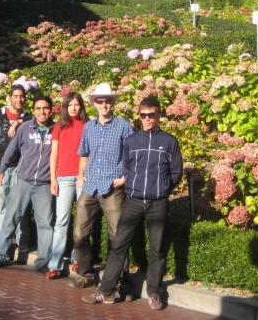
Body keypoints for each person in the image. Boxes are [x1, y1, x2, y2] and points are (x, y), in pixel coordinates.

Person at [82, 97, 183, 310]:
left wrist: (163, 189)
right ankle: (105, 291)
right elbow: (126, 167)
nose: (147, 119)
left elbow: (176, 171)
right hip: (133, 201)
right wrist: (132, 187)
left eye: (151, 115)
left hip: (157, 203)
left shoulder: (169, 141)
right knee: (118, 246)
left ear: (158, 115)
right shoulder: (132, 140)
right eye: (143, 115)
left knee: (157, 250)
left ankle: (155, 293)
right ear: (139, 116)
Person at [70, 82, 134, 291]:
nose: (104, 105)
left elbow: (132, 156)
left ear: (112, 103)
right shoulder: (89, 127)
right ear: (94, 104)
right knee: (79, 234)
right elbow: (84, 154)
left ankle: (119, 278)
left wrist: (124, 177)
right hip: (90, 186)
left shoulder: (124, 126)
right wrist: (80, 176)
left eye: (107, 101)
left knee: (118, 235)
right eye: (100, 101)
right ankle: (87, 273)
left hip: (112, 186)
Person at [0, 95, 55, 271]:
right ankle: (0, 255)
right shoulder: (26, 128)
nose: (42, 112)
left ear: (51, 109)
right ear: (33, 110)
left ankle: (42, 261)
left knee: (46, 224)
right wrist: (2, 170)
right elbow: (11, 151)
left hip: (44, 184)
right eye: (38, 108)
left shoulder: (56, 130)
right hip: (22, 181)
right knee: (11, 219)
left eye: (46, 108)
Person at [0, 84, 32, 266]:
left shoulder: (27, 118)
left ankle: (22, 243)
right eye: (16, 96)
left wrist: (18, 122)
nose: (19, 99)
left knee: (19, 206)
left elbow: (34, 117)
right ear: (9, 98)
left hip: (20, 166)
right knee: (0, 208)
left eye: (22, 96)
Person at [47, 92, 89, 279]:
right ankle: (55, 264)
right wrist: (53, 180)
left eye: (76, 104)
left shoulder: (88, 126)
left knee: (82, 222)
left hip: (82, 178)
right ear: (65, 106)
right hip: (63, 178)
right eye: (70, 104)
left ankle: (77, 259)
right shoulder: (59, 127)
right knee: (61, 221)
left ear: (81, 106)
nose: (73, 108)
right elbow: (53, 155)